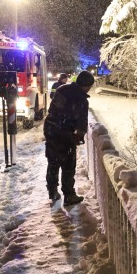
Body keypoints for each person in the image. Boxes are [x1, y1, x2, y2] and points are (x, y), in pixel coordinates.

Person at [43, 70, 95, 206]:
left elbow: (53, 109)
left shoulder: (62, 89)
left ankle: (52, 191)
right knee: (68, 165)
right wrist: (79, 136)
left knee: (53, 162)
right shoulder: (82, 100)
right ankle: (69, 195)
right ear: (87, 85)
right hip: (65, 133)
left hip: (51, 128)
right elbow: (82, 124)